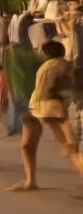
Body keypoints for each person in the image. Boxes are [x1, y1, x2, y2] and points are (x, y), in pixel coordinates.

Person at [10, 40, 83, 191]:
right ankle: (30, 181)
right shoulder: (66, 65)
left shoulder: (48, 67)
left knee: (70, 149)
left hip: (43, 106)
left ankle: (30, 181)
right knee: (27, 146)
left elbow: (45, 90)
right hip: (42, 107)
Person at [5, 15, 42, 136]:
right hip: (23, 82)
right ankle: (19, 128)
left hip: (14, 80)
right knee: (21, 105)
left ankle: (14, 126)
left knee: (15, 103)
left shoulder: (11, 49)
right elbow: (33, 62)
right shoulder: (21, 51)